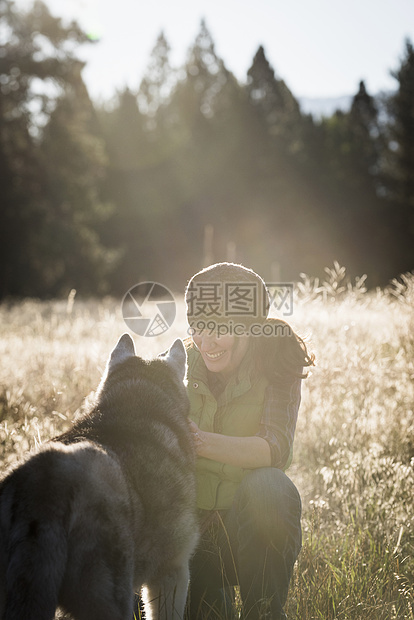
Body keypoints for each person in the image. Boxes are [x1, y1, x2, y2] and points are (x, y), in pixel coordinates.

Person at [184, 262, 314, 620]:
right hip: (186, 536)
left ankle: (263, 613)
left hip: (247, 534)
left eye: (218, 329)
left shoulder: (277, 361)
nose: (205, 342)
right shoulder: (182, 363)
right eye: (197, 327)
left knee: (271, 487)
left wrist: (197, 441)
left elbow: (274, 448)